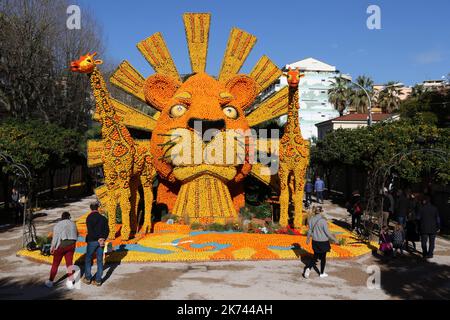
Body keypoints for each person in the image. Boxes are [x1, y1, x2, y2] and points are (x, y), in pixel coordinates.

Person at [45, 212, 78, 289]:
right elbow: (77, 234)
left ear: (61, 217)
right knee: (69, 264)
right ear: (69, 217)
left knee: (55, 264)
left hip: (61, 246)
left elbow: (55, 238)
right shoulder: (73, 223)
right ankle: (70, 282)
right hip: (71, 245)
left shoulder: (58, 225)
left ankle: (50, 281)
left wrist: (52, 247)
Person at [303, 206, 338, 279]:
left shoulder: (311, 220)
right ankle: (321, 273)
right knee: (323, 258)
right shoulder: (323, 221)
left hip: (315, 241)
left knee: (315, 256)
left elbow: (309, 231)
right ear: (321, 212)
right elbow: (327, 233)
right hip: (323, 242)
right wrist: (334, 239)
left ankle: (308, 268)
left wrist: (308, 239)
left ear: (315, 212)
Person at [83, 202, 109, 286]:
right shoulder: (103, 218)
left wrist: (98, 239)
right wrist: (102, 239)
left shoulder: (89, 218)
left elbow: (90, 231)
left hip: (92, 241)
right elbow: (107, 230)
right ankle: (98, 280)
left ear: (91, 208)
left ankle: (88, 278)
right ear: (97, 208)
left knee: (88, 259)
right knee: (100, 260)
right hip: (101, 242)